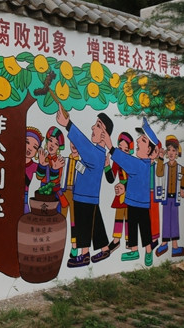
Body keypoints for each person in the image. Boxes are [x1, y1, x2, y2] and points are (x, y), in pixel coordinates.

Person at [56, 108, 113, 267]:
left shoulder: (96, 153)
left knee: (84, 226)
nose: (93, 127)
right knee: (95, 225)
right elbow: (83, 168)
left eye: (98, 125)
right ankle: (104, 249)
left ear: (105, 134)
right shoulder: (96, 154)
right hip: (87, 195)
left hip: (85, 197)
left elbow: (83, 143)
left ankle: (84, 254)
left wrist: (68, 124)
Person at [103, 117, 160, 267]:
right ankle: (134, 250)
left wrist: (110, 146)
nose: (138, 141)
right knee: (132, 226)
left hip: (141, 203)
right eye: (140, 139)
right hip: (131, 201)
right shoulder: (140, 163)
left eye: (143, 140)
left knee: (144, 228)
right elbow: (130, 177)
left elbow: (125, 161)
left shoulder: (141, 164)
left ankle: (148, 250)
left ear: (149, 150)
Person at [155, 135, 184, 258]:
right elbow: (158, 173)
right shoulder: (164, 166)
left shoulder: (179, 168)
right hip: (166, 198)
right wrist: (160, 157)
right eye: (168, 150)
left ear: (176, 153)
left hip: (175, 198)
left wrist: (182, 188)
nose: (170, 152)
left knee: (174, 221)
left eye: (173, 150)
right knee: (166, 220)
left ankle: (175, 247)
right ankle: (164, 243)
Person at [104, 132, 133, 254]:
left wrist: (125, 187)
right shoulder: (117, 161)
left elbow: (136, 178)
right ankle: (116, 240)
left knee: (129, 217)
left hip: (130, 191)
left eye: (125, 150)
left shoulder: (132, 161)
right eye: (120, 149)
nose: (122, 152)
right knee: (119, 216)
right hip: (120, 193)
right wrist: (107, 166)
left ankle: (129, 240)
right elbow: (111, 179)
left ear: (130, 151)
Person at [36, 126, 68, 212]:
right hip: (42, 193)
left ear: (58, 148)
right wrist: (41, 165)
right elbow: (39, 177)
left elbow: (54, 181)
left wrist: (54, 169)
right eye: (50, 140)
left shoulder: (59, 161)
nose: (52, 145)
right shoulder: (44, 157)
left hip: (54, 194)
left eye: (56, 144)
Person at [61, 141, 81, 257]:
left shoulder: (81, 164)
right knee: (61, 219)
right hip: (63, 192)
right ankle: (59, 244)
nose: (74, 145)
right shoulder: (64, 160)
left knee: (74, 221)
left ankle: (74, 246)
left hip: (75, 195)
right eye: (72, 142)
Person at [24, 127, 43, 214]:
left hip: (27, 199)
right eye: (27, 142)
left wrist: (42, 165)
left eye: (34, 147)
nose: (30, 148)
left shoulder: (36, 167)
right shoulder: (13, 162)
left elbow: (40, 178)